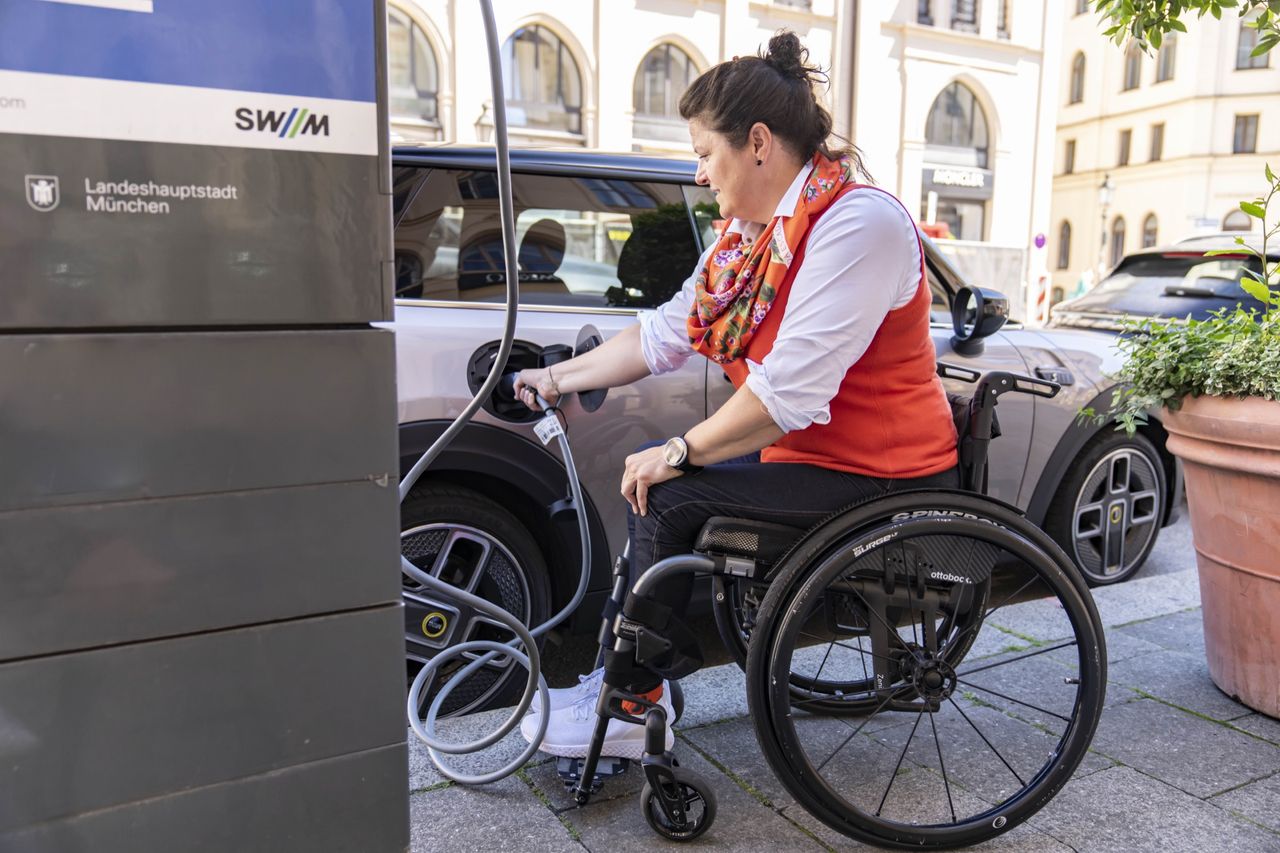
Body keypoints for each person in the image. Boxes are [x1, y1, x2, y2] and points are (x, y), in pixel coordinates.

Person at [513, 31, 959, 760]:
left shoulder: (858, 223)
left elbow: (789, 390)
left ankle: (629, 703)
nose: (697, 173)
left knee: (669, 491)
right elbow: (663, 335)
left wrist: (679, 451)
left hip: (883, 474)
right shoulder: (750, 240)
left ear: (757, 142)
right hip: (815, 460)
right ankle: (619, 681)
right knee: (662, 481)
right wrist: (557, 378)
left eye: (703, 152)